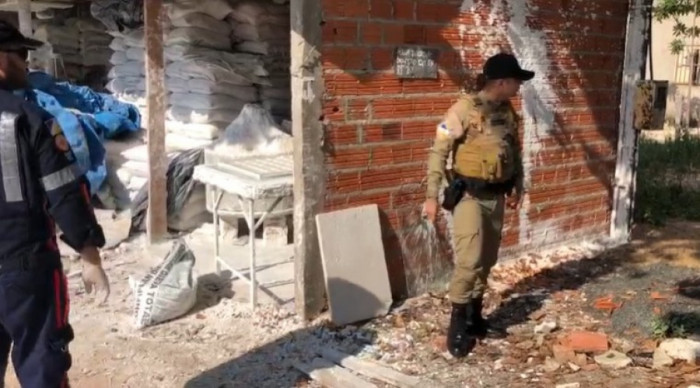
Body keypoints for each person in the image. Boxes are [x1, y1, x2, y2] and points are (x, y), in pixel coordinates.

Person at [0, 21, 110, 387]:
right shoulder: (31, 120)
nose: (26, 64)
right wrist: (89, 254)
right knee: (43, 367)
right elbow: (64, 191)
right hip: (26, 270)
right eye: (22, 55)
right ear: (1, 60)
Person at [423, 52, 534, 358]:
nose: (518, 87)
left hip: (495, 197)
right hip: (469, 197)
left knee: (486, 261)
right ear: (502, 81)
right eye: (516, 81)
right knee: (469, 261)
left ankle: (474, 317)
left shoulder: (508, 111)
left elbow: (515, 151)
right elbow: (438, 151)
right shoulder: (463, 110)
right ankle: (457, 324)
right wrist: (431, 196)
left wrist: (518, 186)